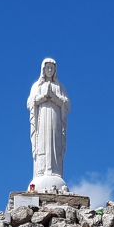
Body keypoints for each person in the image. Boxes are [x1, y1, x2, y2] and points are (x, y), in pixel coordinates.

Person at [27, 58, 70, 189]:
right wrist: (44, 97)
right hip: (42, 118)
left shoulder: (60, 87)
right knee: (42, 143)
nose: (50, 70)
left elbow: (67, 104)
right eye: (48, 68)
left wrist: (54, 97)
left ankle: (55, 171)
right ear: (43, 69)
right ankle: (41, 170)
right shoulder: (37, 86)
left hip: (55, 118)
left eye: (52, 68)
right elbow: (30, 102)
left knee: (55, 143)